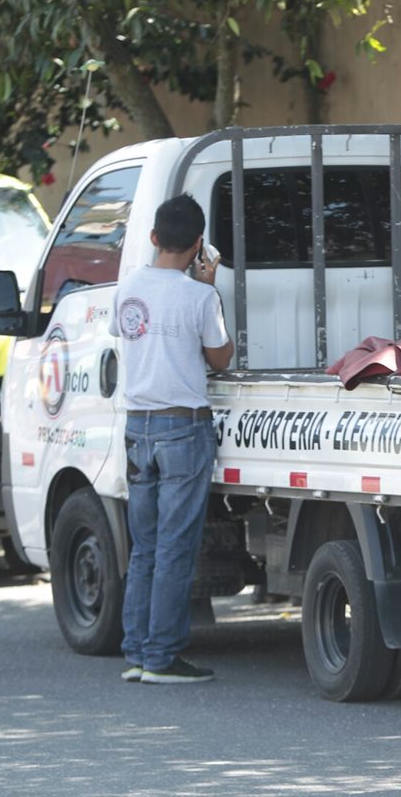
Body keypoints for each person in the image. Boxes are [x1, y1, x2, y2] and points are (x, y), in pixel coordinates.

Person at [111, 194, 234, 685]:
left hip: (137, 427)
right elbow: (219, 358)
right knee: (175, 547)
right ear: (199, 245)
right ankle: (162, 656)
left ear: (154, 237)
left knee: (144, 547)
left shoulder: (127, 288)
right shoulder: (200, 296)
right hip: (183, 427)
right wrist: (209, 287)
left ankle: (137, 652)